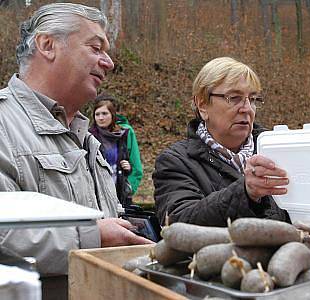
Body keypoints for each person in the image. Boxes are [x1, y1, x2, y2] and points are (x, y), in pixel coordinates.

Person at [0, 3, 152, 299]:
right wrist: (94, 236)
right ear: (47, 45)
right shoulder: (3, 124)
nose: (108, 62)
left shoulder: (88, 139)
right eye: (96, 48)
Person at [153, 57, 290, 227]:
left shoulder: (278, 148)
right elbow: (178, 223)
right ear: (202, 105)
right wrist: (245, 192)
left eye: (253, 99)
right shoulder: (176, 161)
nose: (247, 109)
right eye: (234, 98)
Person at [89, 94, 143, 206]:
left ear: (113, 114)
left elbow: (136, 166)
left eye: (104, 113)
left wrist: (129, 188)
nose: (101, 117)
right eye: (97, 114)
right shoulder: (89, 135)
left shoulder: (125, 133)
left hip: (120, 192)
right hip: (97, 195)